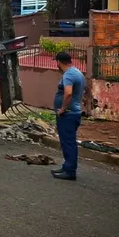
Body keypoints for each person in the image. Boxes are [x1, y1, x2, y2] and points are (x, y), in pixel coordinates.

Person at [52, 51, 85, 181]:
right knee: (67, 142)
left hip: (68, 114)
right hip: (74, 112)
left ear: (59, 62)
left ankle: (70, 170)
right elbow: (85, 90)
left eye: (57, 62)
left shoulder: (69, 75)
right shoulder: (77, 72)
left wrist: (63, 109)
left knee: (68, 142)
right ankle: (66, 167)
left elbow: (68, 93)